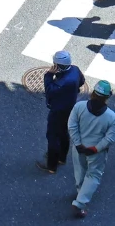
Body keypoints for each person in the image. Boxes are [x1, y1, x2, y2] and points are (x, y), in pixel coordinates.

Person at [69, 80, 115, 218]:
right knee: (93, 175)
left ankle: (79, 190)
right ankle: (80, 202)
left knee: (80, 170)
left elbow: (72, 125)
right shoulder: (111, 117)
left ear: (93, 93)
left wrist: (78, 144)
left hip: (78, 148)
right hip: (97, 152)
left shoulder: (79, 106)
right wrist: (95, 149)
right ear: (108, 97)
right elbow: (109, 138)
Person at [38, 50, 84, 174]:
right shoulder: (75, 70)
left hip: (58, 110)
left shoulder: (60, 83)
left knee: (53, 136)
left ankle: (52, 166)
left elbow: (49, 91)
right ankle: (62, 158)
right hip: (70, 108)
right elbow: (82, 81)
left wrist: (48, 75)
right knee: (64, 132)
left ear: (57, 65)